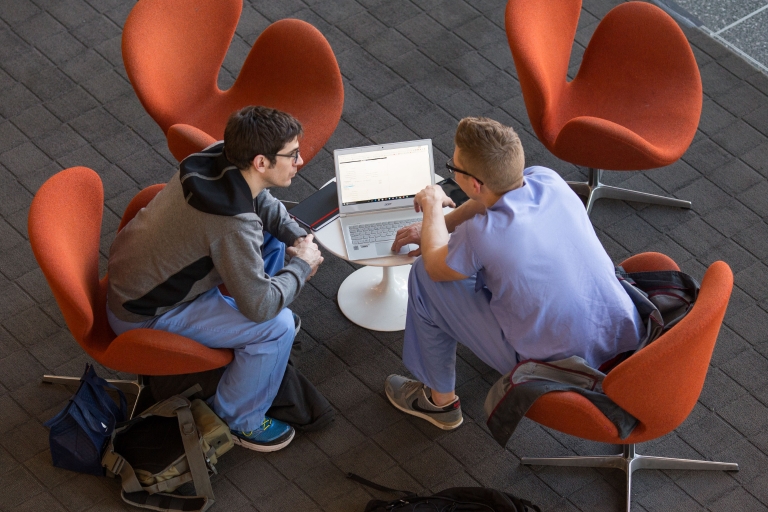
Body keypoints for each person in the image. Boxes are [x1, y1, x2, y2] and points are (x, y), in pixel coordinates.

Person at [384, 117, 645, 430]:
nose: (451, 170)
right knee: (482, 266)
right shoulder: (546, 179)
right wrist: (442, 224)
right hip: (628, 341)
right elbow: (482, 205)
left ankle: (439, 403)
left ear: (475, 184)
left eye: (453, 167)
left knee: (425, 280)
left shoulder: (482, 235)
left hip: (562, 371)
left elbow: (436, 266)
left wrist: (431, 208)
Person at [106, 106, 324, 451]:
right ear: (261, 163)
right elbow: (261, 307)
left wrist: (295, 235)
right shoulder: (231, 225)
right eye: (292, 155)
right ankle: (240, 420)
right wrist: (301, 266)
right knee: (276, 325)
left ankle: (241, 311)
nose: (300, 161)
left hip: (139, 279)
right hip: (146, 315)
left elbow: (260, 199)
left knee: (271, 237)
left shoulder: (216, 154)